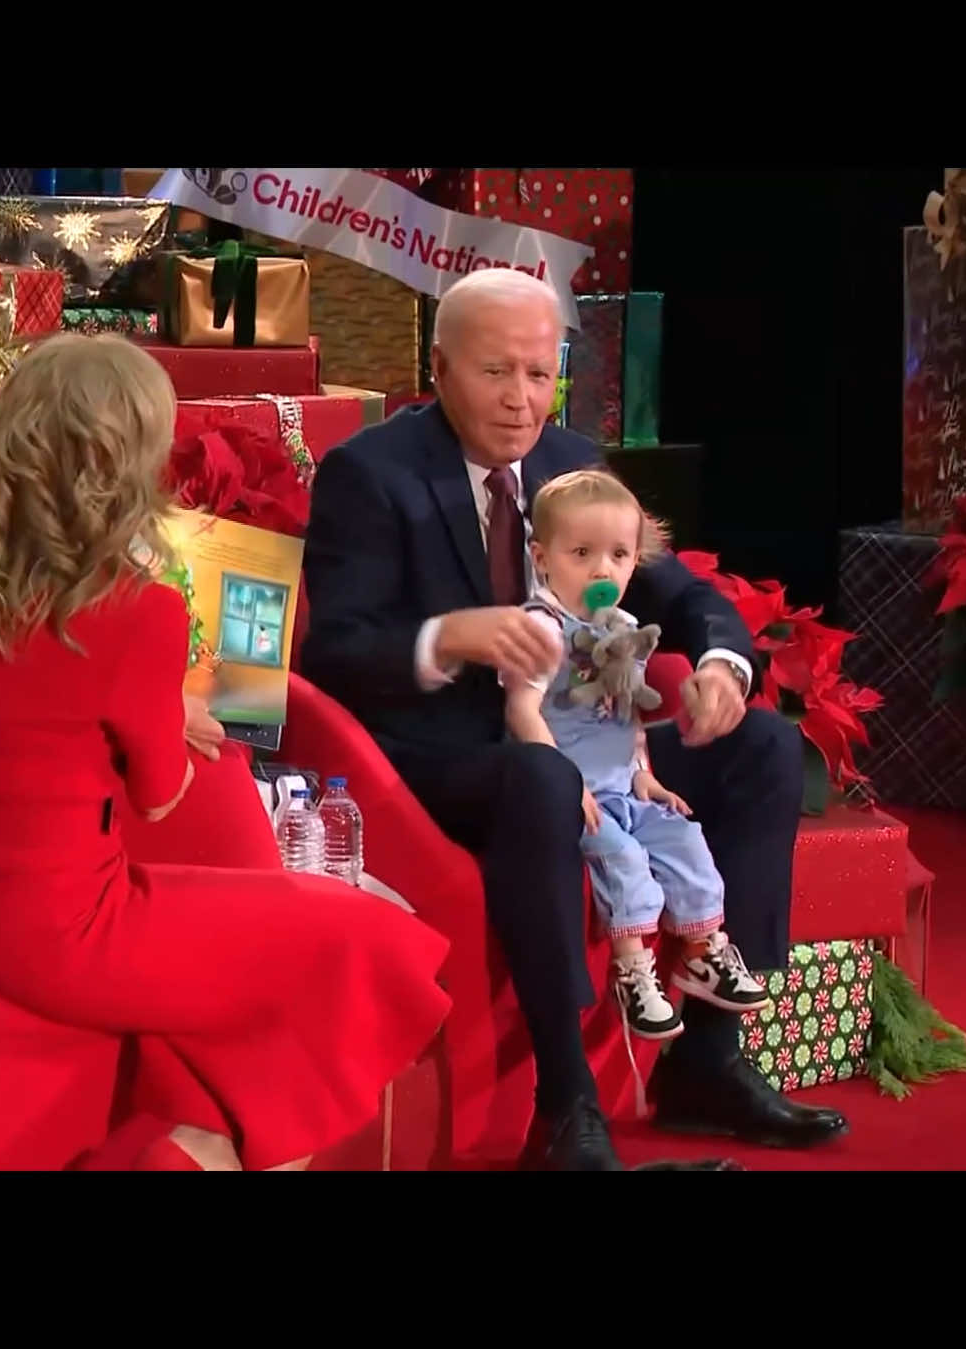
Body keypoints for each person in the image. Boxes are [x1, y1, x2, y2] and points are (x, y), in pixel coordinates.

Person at [302, 268, 848, 1172]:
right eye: (494, 374)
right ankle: (565, 1107)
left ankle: (707, 1065)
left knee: (761, 746)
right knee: (539, 776)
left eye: (537, 373)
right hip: (439, 759)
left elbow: (677, 586)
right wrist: (450, 636)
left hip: (589, 748)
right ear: (436, 368)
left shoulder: (571, 463)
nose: (521, 401)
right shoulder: (371, 475)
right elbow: (334, 656)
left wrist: (720, 661)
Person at [0, 333, 450, 1172]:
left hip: (5, 911)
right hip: (73, 931)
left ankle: (197, 1145)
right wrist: (166, 711)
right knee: (353, 941)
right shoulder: (136, 610)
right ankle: (212, 1151)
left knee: (263, 947)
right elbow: (160, 793)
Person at [505, 468, 772, 1050]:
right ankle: (632, 969)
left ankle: (702, 955)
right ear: (542, 557)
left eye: (618, 556)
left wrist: (644, 775)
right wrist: (558, 784)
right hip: (575, 793)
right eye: (582, 553)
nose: (603, 570)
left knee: (686, 840)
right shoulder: (541, 626)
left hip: (624, 785)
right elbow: (521, 710)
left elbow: (627, 713)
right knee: (623, 860)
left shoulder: (625, 628)